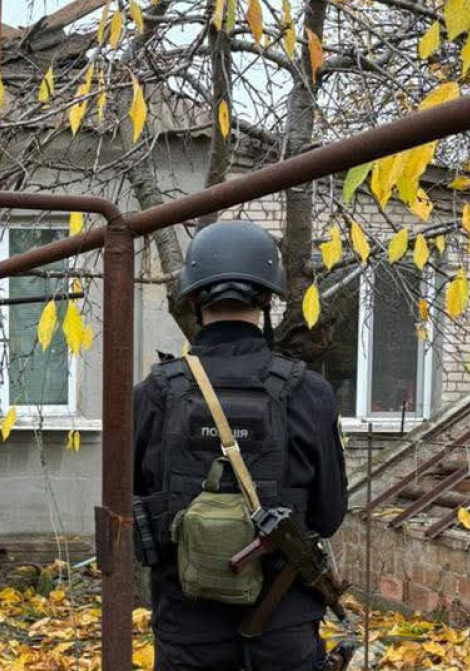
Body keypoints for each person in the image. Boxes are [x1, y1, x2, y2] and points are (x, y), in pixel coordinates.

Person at [133, 220, 348, 671]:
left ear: (192, 298)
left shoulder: (154, 393)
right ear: (267, 298)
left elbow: (127, 504)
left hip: (186, 626)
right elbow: (327, 514)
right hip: (282, 625)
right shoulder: (309, 392)